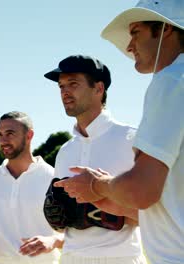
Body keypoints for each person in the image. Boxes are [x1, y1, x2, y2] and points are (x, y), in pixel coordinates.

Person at [54, 1, 184, 263]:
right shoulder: (65, 150)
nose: (129, 45)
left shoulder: (171, 81)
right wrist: (101, 198)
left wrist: (96, 185)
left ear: (166, 30)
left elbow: (141, 191)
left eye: (135, 32)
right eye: (61, 86)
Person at [44, 55, 146, 264]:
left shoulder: (133, 139)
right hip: (71, 257)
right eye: (61, 86)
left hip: (121, 258)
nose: (65, 92)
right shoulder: (65, 150)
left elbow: (159, 214)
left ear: (98, 89)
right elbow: (65, 217)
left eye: (73, 84)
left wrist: (104, 206)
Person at [0, 111, 63, 264]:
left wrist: (53, 241)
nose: (3, 141)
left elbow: (76, 233)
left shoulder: (54, 178)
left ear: (29, 135)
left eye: (10, 133)